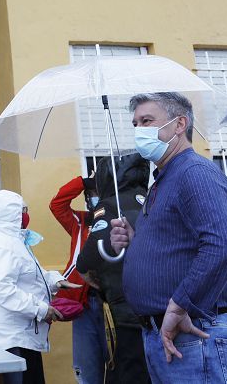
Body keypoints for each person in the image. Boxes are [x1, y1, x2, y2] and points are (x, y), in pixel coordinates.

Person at [109, 92, 227, 384]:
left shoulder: (194, 172)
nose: (139, 131)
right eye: (135, 124)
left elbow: (224, 248)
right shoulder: (165, 177)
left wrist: (179, 305)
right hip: (170, 334)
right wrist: (135, 241)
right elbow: (178, 244)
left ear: (179, 124)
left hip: (195, 332)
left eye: (147, 121)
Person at [0, 189, 80, 384]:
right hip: (13, 337)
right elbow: (3, 290)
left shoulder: (15, 240)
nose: (26, 215)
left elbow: (31, 273)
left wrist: (55, 281)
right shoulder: (3, 246)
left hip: (24, 333)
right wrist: (42, 309)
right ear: (9, 214)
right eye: (22, 210)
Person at [77, 153, 152, 383]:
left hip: (127, 314)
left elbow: (87, 261)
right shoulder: (151, 200)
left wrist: (97, 282)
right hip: (161, 313)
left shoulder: (109, 206)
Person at [50, 173, 107, 384]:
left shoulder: (121, 219)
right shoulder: (80, 222)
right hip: (84, 302)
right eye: (89, 195)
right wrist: (83, 182)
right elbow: (57, 204)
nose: (92, 198)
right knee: (87, 369)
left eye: (96, 193)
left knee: (117, 367)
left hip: (113, 303)